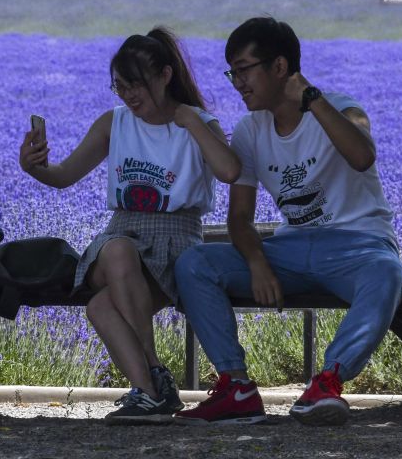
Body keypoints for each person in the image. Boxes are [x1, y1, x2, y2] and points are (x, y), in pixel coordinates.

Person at [174, 17, 402, 427]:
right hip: (291, 250)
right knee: (195, 263)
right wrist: (258, 264)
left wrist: (313, 100)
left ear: (279, 67)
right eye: (233, 72)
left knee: (387, 273)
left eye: (244, 69)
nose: (237, 82)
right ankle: (236, 387)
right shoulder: (250, 130)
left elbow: (362, 155)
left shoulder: (343, 108)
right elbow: (240, 219)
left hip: (359, 247)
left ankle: (328, 383)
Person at [19, 27, 240, 424]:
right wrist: (34, 168)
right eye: (120, 86)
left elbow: (229, 170)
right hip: (122, 233)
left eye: (137, 85)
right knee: (119, 250)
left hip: (177, 239)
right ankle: (155, 374)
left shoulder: (199, 123)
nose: (129, 95)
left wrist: (191, 122)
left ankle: (150, 395)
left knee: (100, 307)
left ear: (166, 76)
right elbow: (64, 175)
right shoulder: (114, 123)